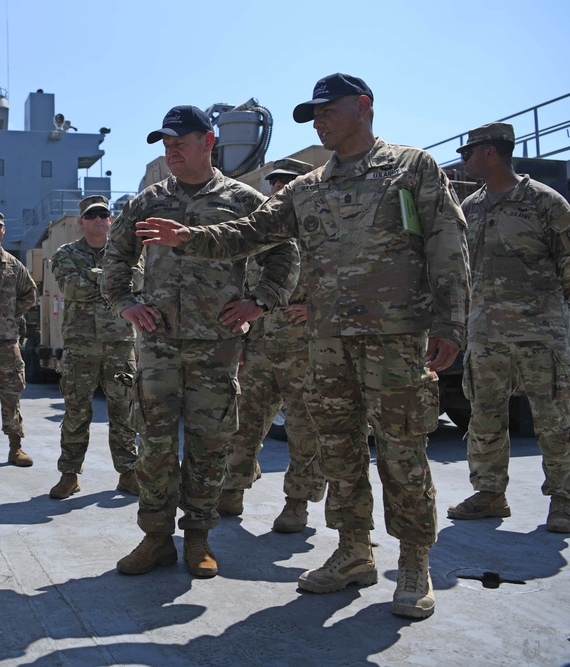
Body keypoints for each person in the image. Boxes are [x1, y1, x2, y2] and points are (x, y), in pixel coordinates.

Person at [133, 74, 471, 619]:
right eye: (313, 114)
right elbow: (250, 232)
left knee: (403, 451)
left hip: (394, 338)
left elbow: (447, 246)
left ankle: (413, 563)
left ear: (363, 106)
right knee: (338, 450)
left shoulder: (412, 169)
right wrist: (190, 238)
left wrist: (451, 325)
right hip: (327, 341)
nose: (319, 121)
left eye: (327, 110)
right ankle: (353, 551)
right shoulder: (305, 188)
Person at [103, 105, 299, 579]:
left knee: (210, 444)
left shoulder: (243, 200)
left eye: (180, 143)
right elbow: (116, 256)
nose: (172, 152)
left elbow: (285, 250)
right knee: (154, 441)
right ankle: (154, 538)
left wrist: (261, 302)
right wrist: (125, 302)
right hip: (158, 344)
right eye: (166, 145)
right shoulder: (147, 201)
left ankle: (198, 538)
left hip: (217, 345)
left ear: (208, 141)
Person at [446, 122, 570, 533]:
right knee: (484, 414)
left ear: (491, 153)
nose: (464, 160)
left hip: (540, 333)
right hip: (485, 335)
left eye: (469, 152)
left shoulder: (545, 203)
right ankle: (489, 493)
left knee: (554, 416)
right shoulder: (472, 208)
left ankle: (565, 499)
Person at [219, 158, 327, 533]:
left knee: (304, 430)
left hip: (306, 351)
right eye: (275, 185)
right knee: (242, 424)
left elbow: (350, 281)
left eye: (288, 185)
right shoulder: (259, 240)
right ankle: (233, 488)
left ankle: (297, 504)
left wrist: (317, 310)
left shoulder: (323, 235)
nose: (280, 191)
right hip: (260, 348)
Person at [48, 195, 140, 500]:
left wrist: (92, 278)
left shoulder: (126, 253)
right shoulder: (65, 253)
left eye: (104, 214)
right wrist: (110, 280)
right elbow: (71, 288)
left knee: (124, 411)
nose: (99, 219)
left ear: (110, 220)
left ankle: (128, 473)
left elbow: (138, 282)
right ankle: (69, 475)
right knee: (76, 411)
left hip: (119, 344)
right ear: (82, 222)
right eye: (92, 215)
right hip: (80, 345)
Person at [0, 210, 37, 467]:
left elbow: (30, 293)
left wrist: (10, 315)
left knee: (12, 393)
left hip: (6, 340)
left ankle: (15, 447)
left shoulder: (13, 265)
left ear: (3, 231)